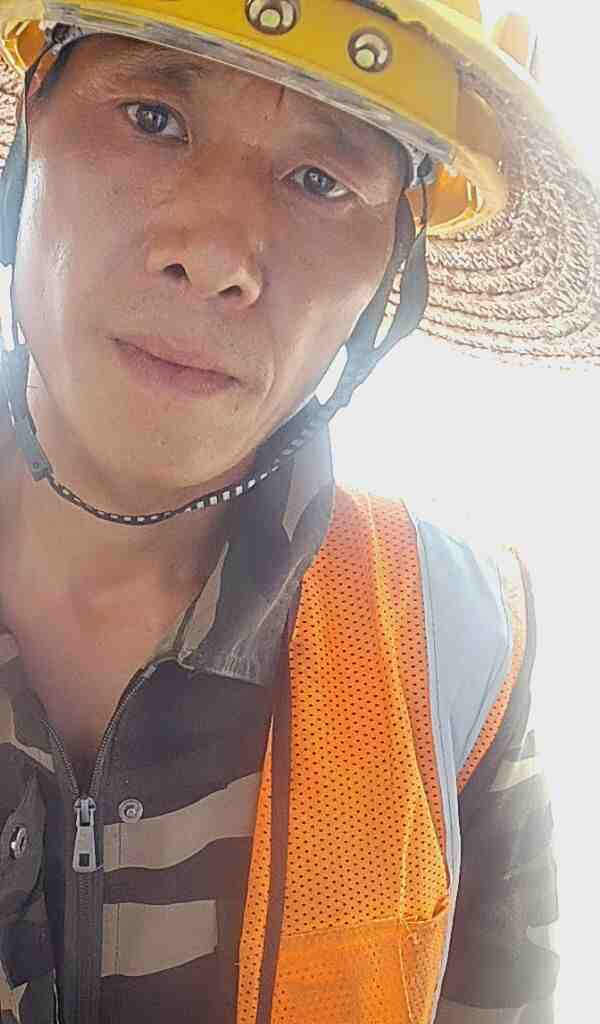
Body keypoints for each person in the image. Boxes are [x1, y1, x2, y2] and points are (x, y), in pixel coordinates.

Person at [0, 1, 590, 1021]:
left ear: (392, 268)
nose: (214, 255)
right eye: (153, 118)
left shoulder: (463, 644)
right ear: (32, 124)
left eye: (321, 181)